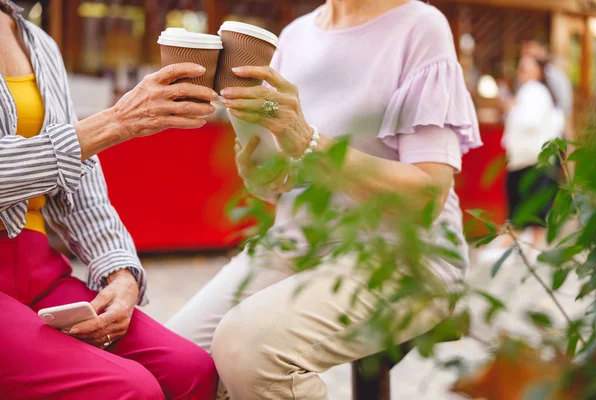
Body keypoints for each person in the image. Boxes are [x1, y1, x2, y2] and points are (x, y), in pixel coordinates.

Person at [167, 0, 482, 399]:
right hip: (297, 246)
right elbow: (280, 178)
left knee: (250, 348)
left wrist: (306, 140)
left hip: (404, 257)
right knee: (172, 360)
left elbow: (425, 200)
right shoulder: (295, 35)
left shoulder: (420, 26)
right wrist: (263, 173)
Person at [0, 1, 218, 398]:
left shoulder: (38, 41)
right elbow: (75, 147)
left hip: (36, 265)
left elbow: (77, 179)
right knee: (130, 389)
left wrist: (119, 269)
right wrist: (115, 122)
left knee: (190, 369)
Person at [501, 55, 564, 249]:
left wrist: (511, 107)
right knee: (525, 207)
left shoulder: (535, 91)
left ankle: (533, 247)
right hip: (525, 159)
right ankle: (526, 247)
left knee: (532, 207)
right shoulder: (530, 92)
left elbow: (530, 122)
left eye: (525, 68)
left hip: (532, 159)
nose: (521, 72)